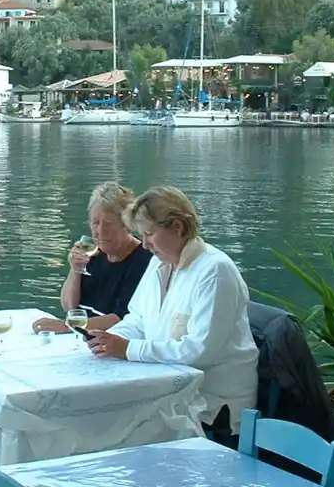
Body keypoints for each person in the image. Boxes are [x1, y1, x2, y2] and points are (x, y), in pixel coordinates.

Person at [86, 186, 259, 444]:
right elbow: (137, 318)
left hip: (211, 403)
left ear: (177, 227)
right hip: (166, 388)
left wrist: (129, 349)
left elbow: (200, 352)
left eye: (150, 234)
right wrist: (108, 339)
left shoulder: (215, 271)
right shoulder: (160, 261)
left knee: (110, 432)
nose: (144, 244)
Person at [32, 181, 152, 334]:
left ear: (127, 226)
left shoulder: (143, 260)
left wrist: (67, 325)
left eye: (108, 224)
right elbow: (70, 306)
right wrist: (75, 270)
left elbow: (123, 318)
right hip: (83, 339)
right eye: (95, 223)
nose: (100, 231)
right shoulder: (92, 253)